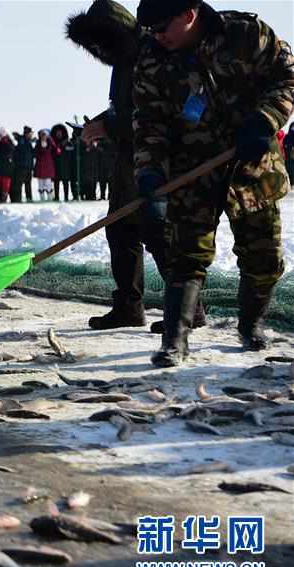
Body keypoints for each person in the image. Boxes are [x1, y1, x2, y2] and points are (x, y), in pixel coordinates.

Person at [134, 0, 294, 366]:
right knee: (186, 255)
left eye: (162, 27)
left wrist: (267, 118)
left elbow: (287, 76)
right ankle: (175, 339)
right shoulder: (152, 57)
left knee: (263, 256)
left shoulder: (246, 34)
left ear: (188, 15)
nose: (157, 37)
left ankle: (251, 324)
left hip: (252, 165)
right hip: (191, 168)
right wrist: (150, 171)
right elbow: (148, 121)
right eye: (151, 31)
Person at [71, 0, 206, 333]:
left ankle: (190, 309)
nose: (100, 51)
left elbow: (157, 113)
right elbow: (124, 107)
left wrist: (108, 127)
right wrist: (101, 123)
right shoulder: (123, 60)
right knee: (120, 229)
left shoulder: (156, 53)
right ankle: (129, 307)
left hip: (157, 156)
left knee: (157, 230)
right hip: (127, 157)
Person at [10, 126, 35, 202]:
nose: (30, 135)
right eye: (28, 133)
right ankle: (18, 199)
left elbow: (32, 154)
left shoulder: (30, 142)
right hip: (20, 166)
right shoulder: (21, 140)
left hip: (28, 166)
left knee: (28, 184)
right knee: (18, 184)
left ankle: (29, 198)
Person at [34, 129, 56, 201]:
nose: (43, 136)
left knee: (48, 182)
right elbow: (35, 153)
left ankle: (50, 197)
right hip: (40, 165)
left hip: (48, 166)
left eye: (44, 135)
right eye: (42, 135)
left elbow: (56, 151)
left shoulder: (50, 143)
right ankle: (42, 197)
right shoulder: (38, 143)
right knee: (40, 183)